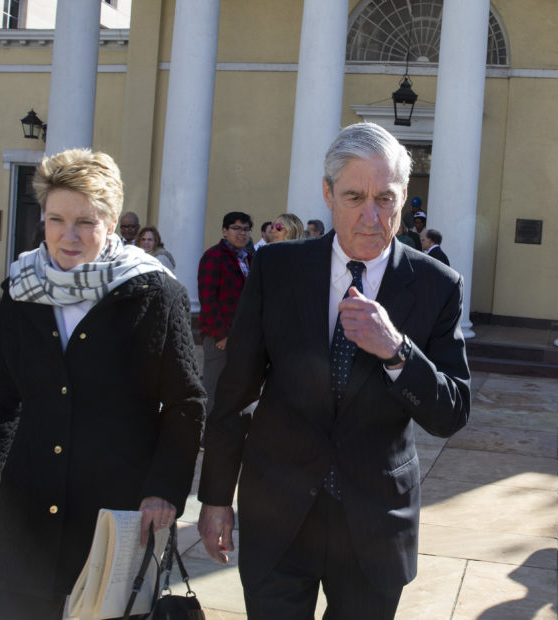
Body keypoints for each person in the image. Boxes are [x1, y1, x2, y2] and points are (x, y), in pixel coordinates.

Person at [196, 122, 471, 619]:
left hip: (374, 524)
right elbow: (234, 393)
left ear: (405, 196)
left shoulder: (436, 284)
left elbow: (451, 412)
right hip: (278, 514)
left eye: (385, 198)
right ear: (327, 193)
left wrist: (397, 351)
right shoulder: (277, 268)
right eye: (353, 196)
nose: (371, 216)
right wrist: (215, 497)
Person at [0, 149, 205, 619]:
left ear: (111, 221)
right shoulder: (24, 290)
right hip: (30, 503)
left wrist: (164, 488)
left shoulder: (153, 292)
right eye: (56, 219)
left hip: (115, 507)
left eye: (85, 221)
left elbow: (186, 402)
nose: (68, 235)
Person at [198, 212, 253, 415]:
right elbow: (207, 298)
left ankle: (229, 435)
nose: (242, 233)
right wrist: (221, 334)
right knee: (214, 390)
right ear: (224, 231)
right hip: (219, 337)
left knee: (237, 391)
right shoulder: (214, 256)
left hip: (242, 337)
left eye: (246, 229)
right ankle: (208, 437)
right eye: (236, 228)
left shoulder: (249, 257)